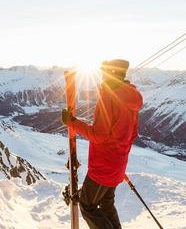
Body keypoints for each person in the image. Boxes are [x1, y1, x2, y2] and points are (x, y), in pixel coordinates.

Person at [61, 59, 143, 229]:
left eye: (104, 73)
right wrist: (118, 157)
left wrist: (72, 122)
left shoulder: (109, 96)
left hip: (103, 166)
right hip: (117, 164)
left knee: (87, 205)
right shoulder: (131, 97)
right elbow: (132, 134)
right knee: (106, 205)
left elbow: (98, 135)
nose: (101, 77)